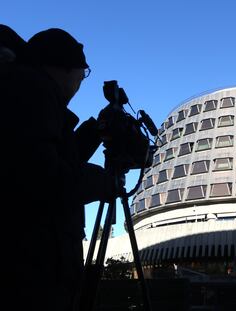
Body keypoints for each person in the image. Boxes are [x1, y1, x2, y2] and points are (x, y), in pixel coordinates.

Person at [1, 27, 118, 311]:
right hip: (31, 275)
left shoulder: (19, 90)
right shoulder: (32, 91)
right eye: (83, 72)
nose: (81, 82)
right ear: (67, 68)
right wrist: (103, 181)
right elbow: (43, 179)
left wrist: (93, 131)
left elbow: (41, 157)